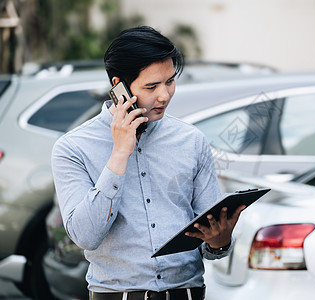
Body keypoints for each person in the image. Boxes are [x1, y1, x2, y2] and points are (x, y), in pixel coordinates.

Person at [51, 25, 245, 300]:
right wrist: (119, 153)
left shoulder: (192, 141)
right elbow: (85, 235)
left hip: (187, 293)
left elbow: (212, 244)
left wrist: (219, 241)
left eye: (170, 81)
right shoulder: (72, 148)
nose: (164, 95)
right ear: (119, 86)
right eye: (151, 86)